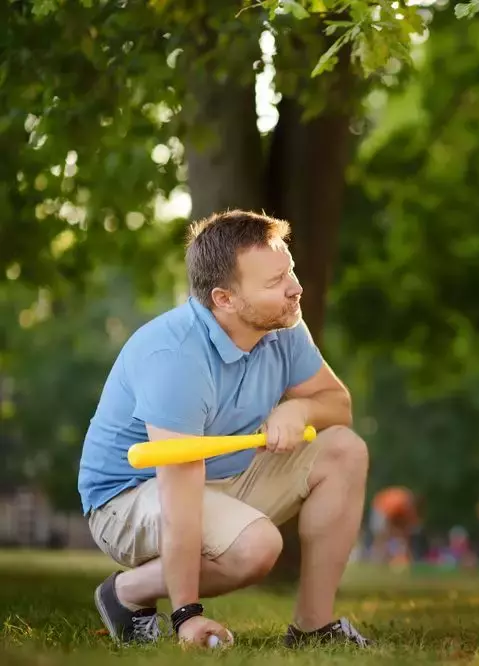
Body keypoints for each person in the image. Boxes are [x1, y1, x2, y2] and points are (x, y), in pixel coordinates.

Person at [77, 210, 373, 649]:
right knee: (257, 548)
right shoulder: (176, 356)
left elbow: (338, 406)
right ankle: (126, 592)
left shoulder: (283, 324)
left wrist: (301, 412)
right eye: (275, 283)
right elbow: (179, 492)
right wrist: (186, 616)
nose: (295, 287)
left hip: (221, 476)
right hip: (131, 496)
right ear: (225, 299)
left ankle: (314, 627)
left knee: (344, 450)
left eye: (289, 270)